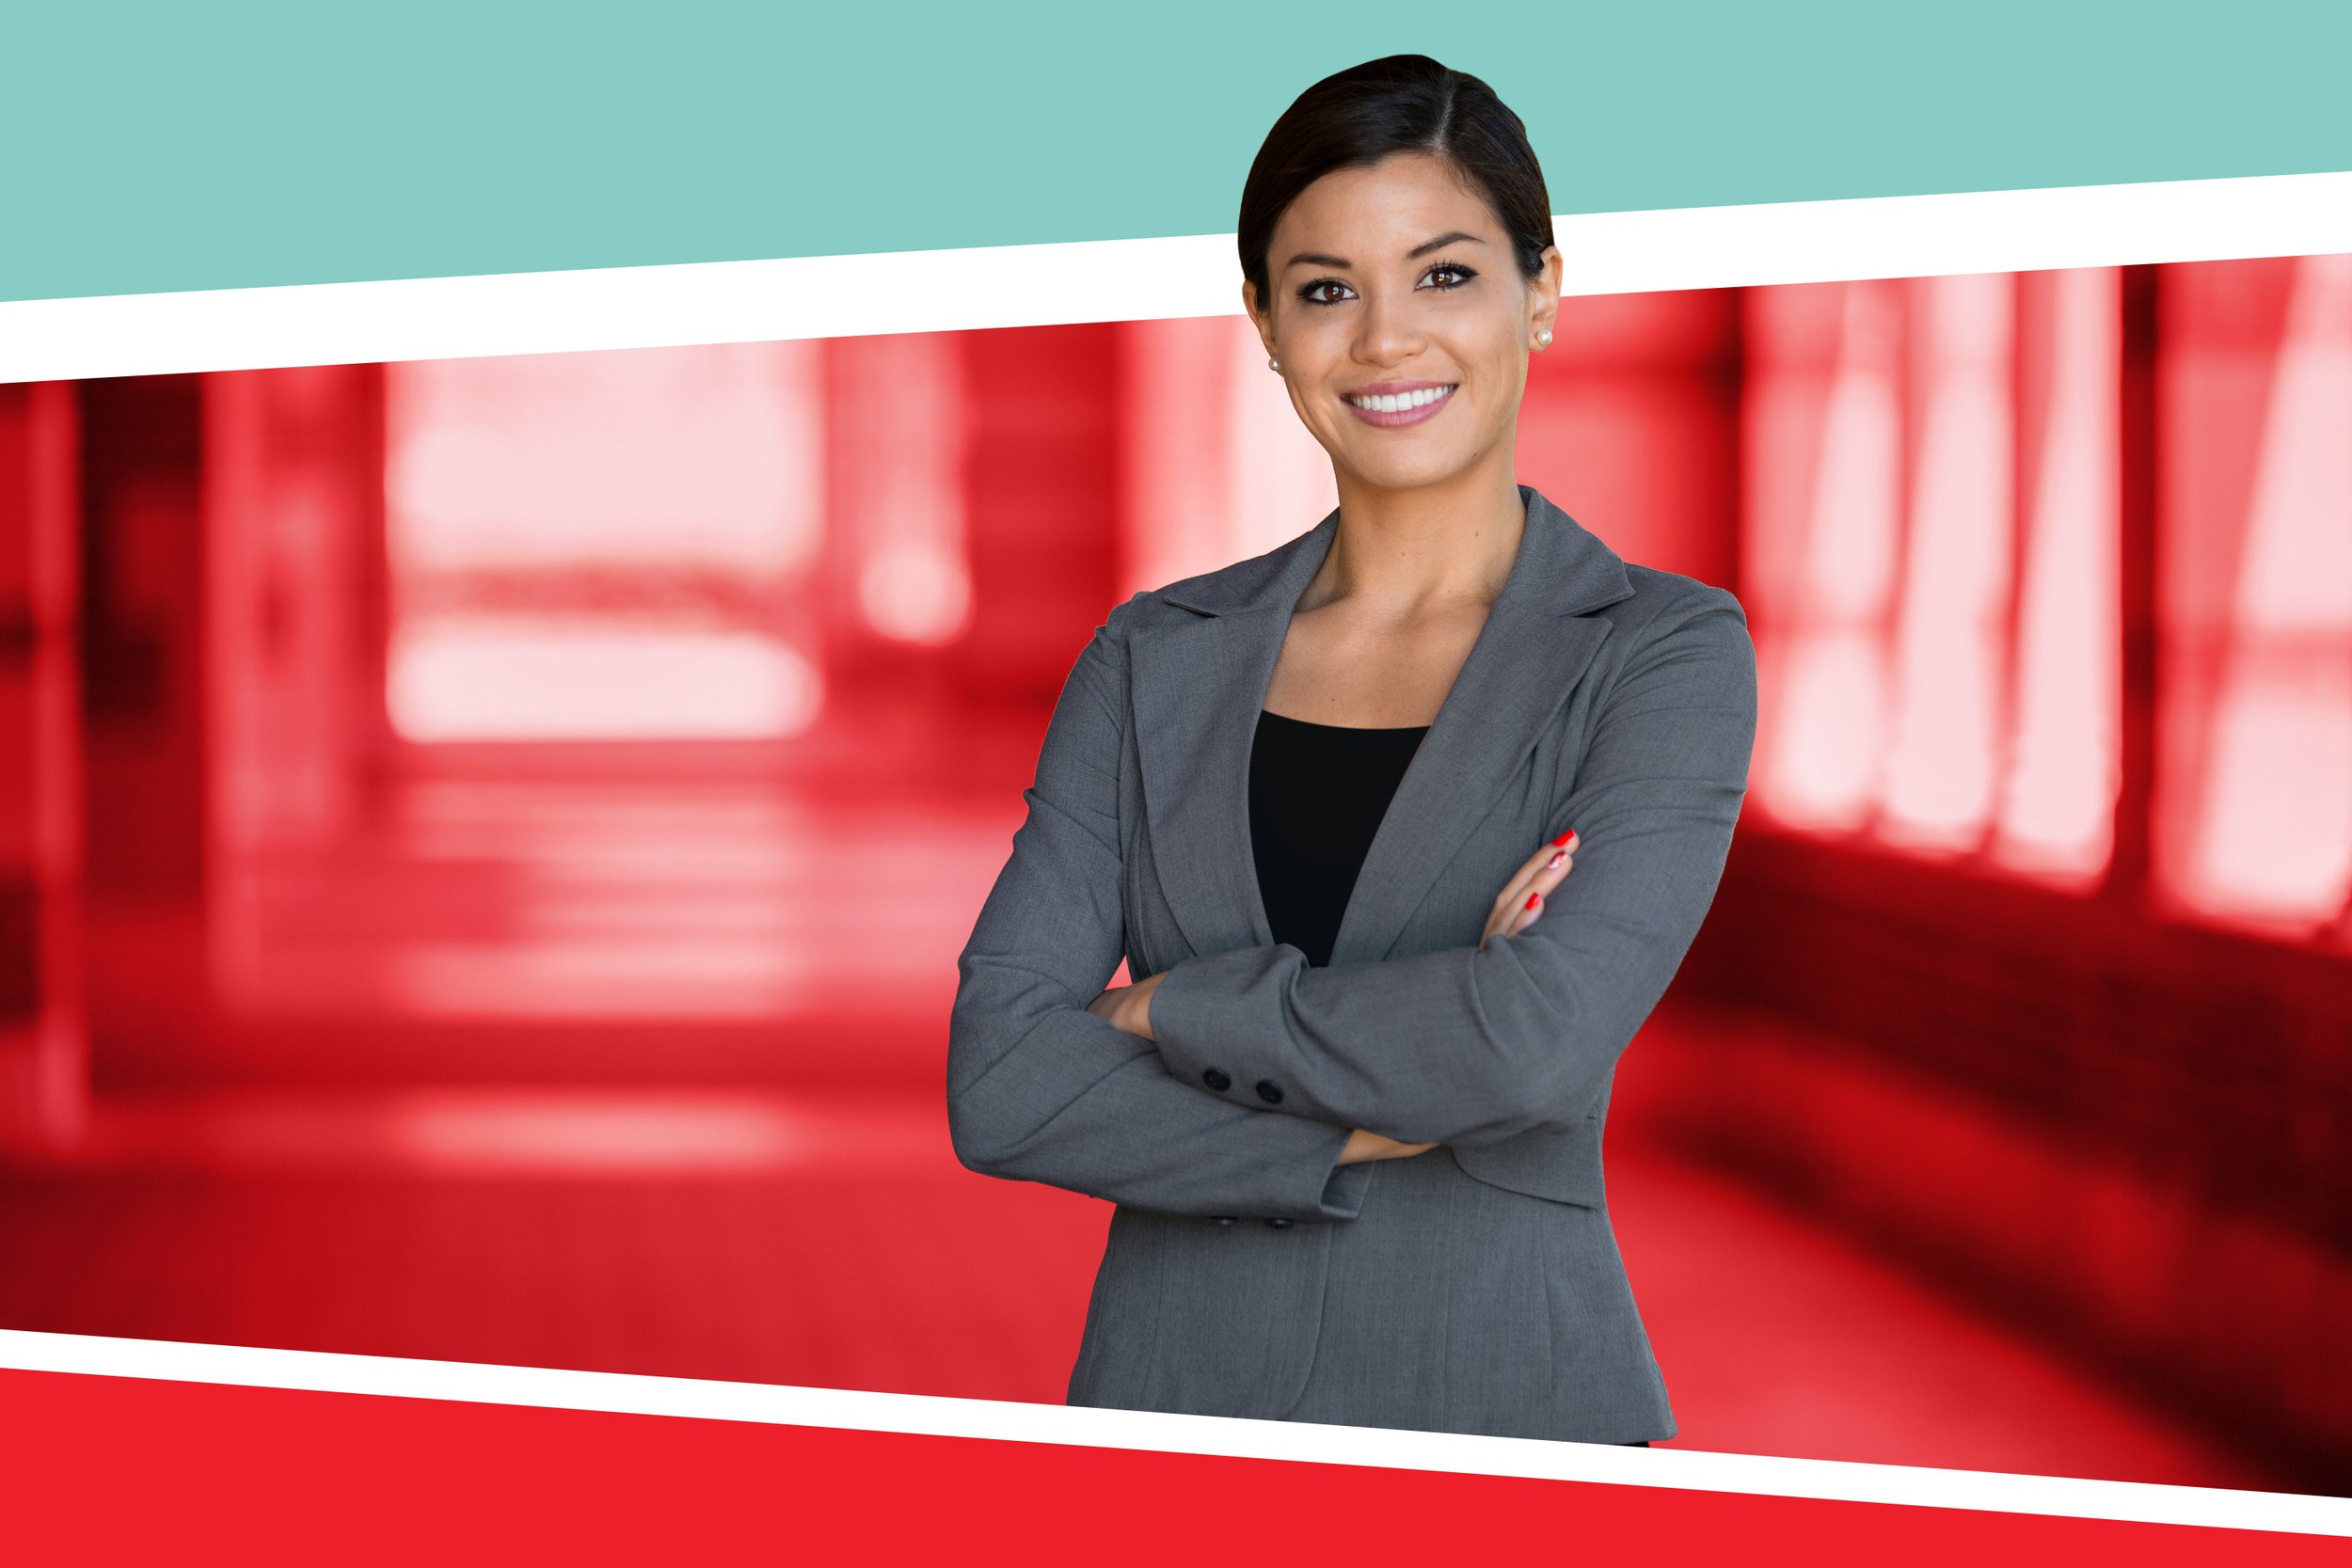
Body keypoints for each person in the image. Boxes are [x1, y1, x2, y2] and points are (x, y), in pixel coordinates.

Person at [946, 54, 1756, 1446]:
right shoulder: (1152, 660)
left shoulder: (1657, 654)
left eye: (1445, 275)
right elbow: (1003, 1084)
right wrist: (1383, 1108)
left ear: (1542, 293)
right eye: (1327, 290)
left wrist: (1169, 1013)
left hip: (1512, 1408)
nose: (1386, 339)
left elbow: (1527, 1047)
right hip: (1174, 1410)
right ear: (1265, 324)